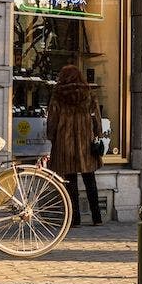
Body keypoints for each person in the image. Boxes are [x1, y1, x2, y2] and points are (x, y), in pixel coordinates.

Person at [46, 64, 103, 226]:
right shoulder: (89, 94)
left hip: (65, 144)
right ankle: (97, 218)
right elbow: (96, 118)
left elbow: (52, 120)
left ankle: (74, 219)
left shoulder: (58, 95)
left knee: (70, 183)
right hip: (86, 143)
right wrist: (97, 134)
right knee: (90, 181)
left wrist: (52, 136)